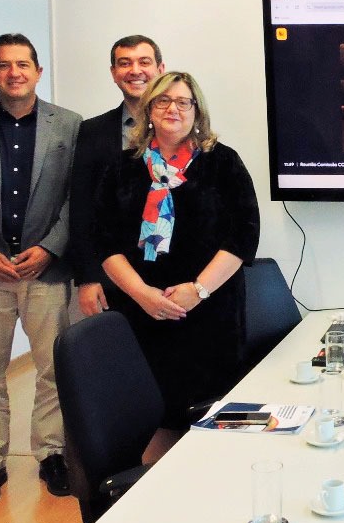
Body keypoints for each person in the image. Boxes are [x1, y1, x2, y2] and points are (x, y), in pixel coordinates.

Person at [95, 71, 260, 462]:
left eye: (183, 102)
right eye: (163, 101)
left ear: (196, 112)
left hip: (211, 313)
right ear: (149, 110)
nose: (173, 109)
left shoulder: (223, 163)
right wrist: (142, 295)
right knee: (155, 414)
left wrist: (198, 290)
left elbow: (244, 235)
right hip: (142, 314)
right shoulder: (122, 167)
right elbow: (104, 240)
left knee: (213, 414)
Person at [0, 33, 82, 506]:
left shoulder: (69, 125)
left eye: (23, 64)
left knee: (51, 369)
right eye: (4, 65)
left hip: (44, 270)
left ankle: (50, 454)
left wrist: (51, 247)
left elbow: (75, 199)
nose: (15, 73)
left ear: (38, 71)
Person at [69, 34, 165, 318]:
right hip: (112, 275)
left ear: (161, 69)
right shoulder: (91, 132)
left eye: (144, 62)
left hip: (173, 271)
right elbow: (82, 207)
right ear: (114, 73)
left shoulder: (181, 127)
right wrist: (88, 277)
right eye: (125, 63)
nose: (135, 71)